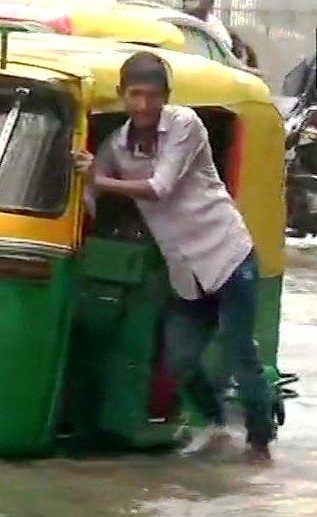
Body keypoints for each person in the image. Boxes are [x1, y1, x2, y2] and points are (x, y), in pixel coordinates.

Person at [79, 52, 273, 463]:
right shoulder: (117, 146)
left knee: (241, 355)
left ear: (166, 97)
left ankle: (259, 443)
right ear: (122, 95)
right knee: (181, 358)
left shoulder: (185, 124)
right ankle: (216, 424)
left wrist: (98, 178)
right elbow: (92, 194)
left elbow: (160, 186)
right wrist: (83, 186)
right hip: (185, 269)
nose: (144, 105)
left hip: (227, 255)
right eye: (135, 95)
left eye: (153, 96)